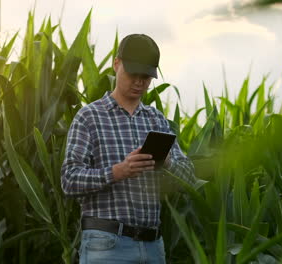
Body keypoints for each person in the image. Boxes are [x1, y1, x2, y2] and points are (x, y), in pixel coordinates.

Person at [61, 33, 196, 264]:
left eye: (146, 76)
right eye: (133, 73)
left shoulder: (156, 121)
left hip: (153, 247)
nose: (139, 82)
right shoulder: (89, 118)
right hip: (106, 245)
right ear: (116, 64)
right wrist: (117, 172)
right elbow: (69, 180)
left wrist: (167, 164)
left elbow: (189, 177)